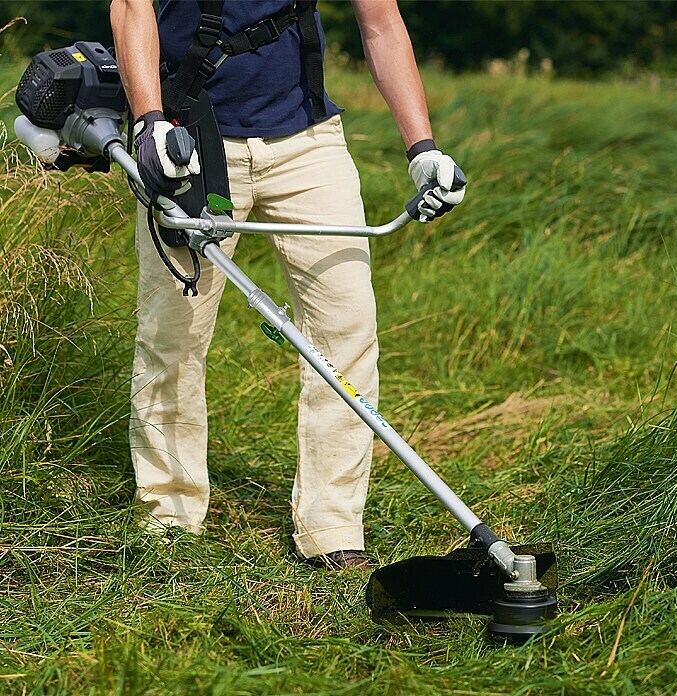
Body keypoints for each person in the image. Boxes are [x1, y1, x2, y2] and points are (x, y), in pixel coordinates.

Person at [110, 0, 465, 569]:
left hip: (309, 140)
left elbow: (382, 23)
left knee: (347, 331)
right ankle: (168, 516)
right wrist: (149, 121)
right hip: (189, 137)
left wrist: (422, 150)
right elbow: (131, 6)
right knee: (171, 336)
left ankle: (332, 526)